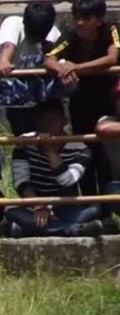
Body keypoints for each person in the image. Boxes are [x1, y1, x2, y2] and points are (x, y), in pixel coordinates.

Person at [47, 0, 119, 190]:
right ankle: (89, 209)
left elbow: (112, 58)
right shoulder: (71, 36)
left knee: (104, 156)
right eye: (77, 18)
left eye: (86, 18)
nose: (80, 23)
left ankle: (107, 211)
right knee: (83, 152)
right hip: (80, 102)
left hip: (108, 100)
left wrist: (76, 68)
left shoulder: (111, 31)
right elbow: (49, 59)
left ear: (100, 19)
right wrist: (62, 70)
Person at [6, 100, 104, 237]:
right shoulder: (24, 144)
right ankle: (73, 230)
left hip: (66, 205)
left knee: (94, 209)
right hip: (35, 205)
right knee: (9, 210)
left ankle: (29, 230)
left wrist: (51, 152)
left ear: (64, 121)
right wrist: (38, 205)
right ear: (37, 123)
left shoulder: (81, 148)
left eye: (53, 121)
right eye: (44, 121)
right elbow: (20, 182)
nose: (48, 126)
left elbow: (67, 180)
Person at [0, 2, 62, 138]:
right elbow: (9, 46)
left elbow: (61, 61)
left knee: (50, 139)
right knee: (24, 140)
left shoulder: (54, 34)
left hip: (45, 99)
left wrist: (50, 53)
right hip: (18, 100)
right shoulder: (13, 23)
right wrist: (4, 61)